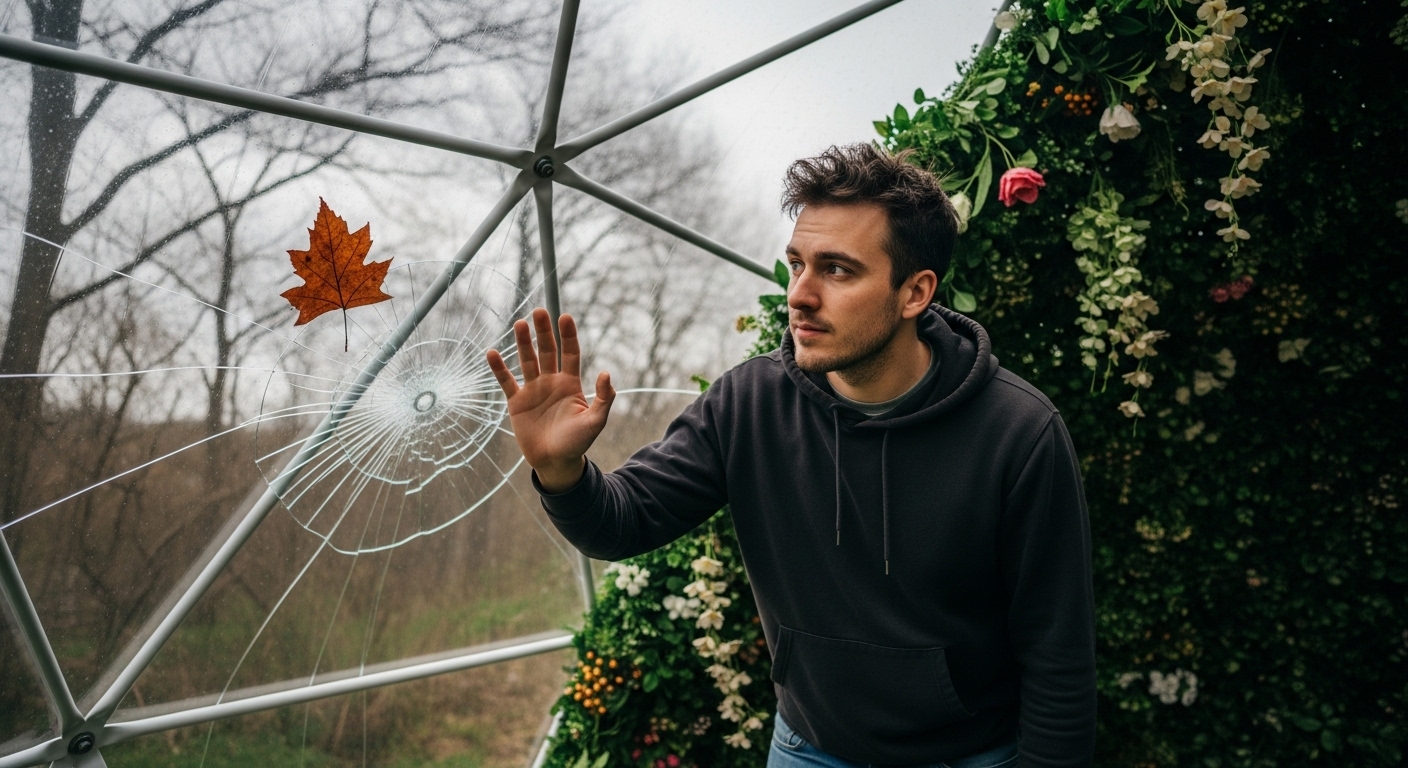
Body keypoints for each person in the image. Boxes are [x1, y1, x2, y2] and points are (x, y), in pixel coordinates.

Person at [486, 144, 1095, 768]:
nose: (799, 295)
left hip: (966, 755)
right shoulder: (749, 403)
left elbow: (1058, 652)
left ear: (915, 292)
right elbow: (623, 521)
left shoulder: (1018, 431)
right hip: (810, 749)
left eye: (836, 270)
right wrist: (560, 470)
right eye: (797, 264)